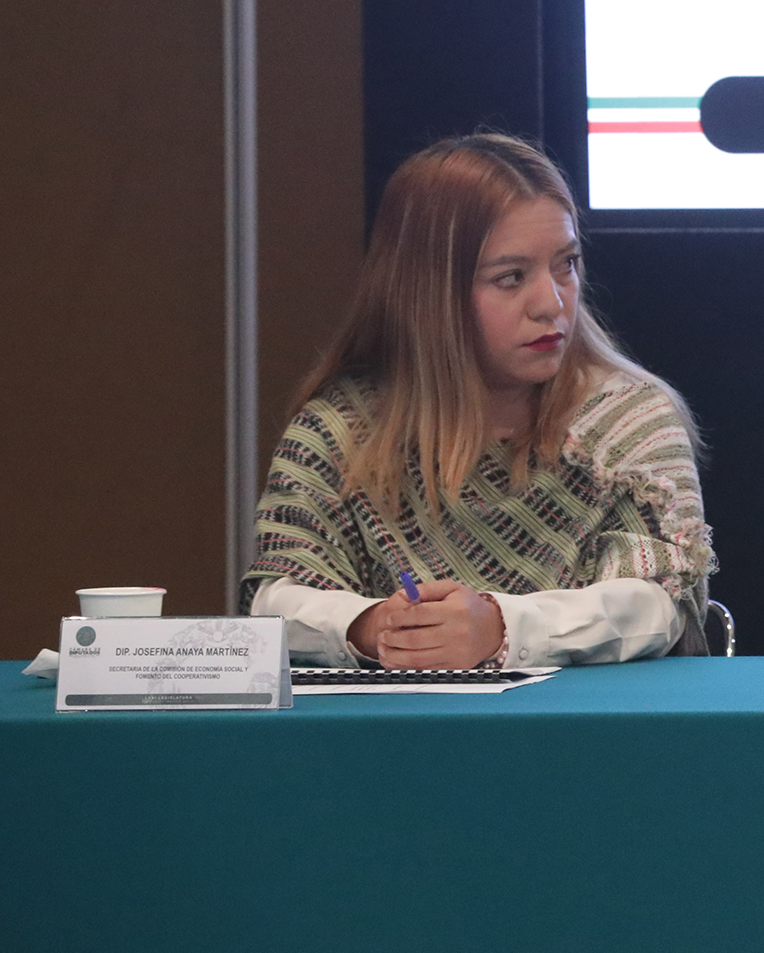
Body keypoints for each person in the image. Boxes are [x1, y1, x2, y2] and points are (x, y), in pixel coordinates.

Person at [243, 133, 715, 668]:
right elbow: (274, 600)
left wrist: (501, 627)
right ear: (428, 293)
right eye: (511, 278)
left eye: (566, 263)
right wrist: (371, 626)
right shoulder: (339, 432)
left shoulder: (627, 419)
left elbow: (658, 603)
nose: (551, 303)